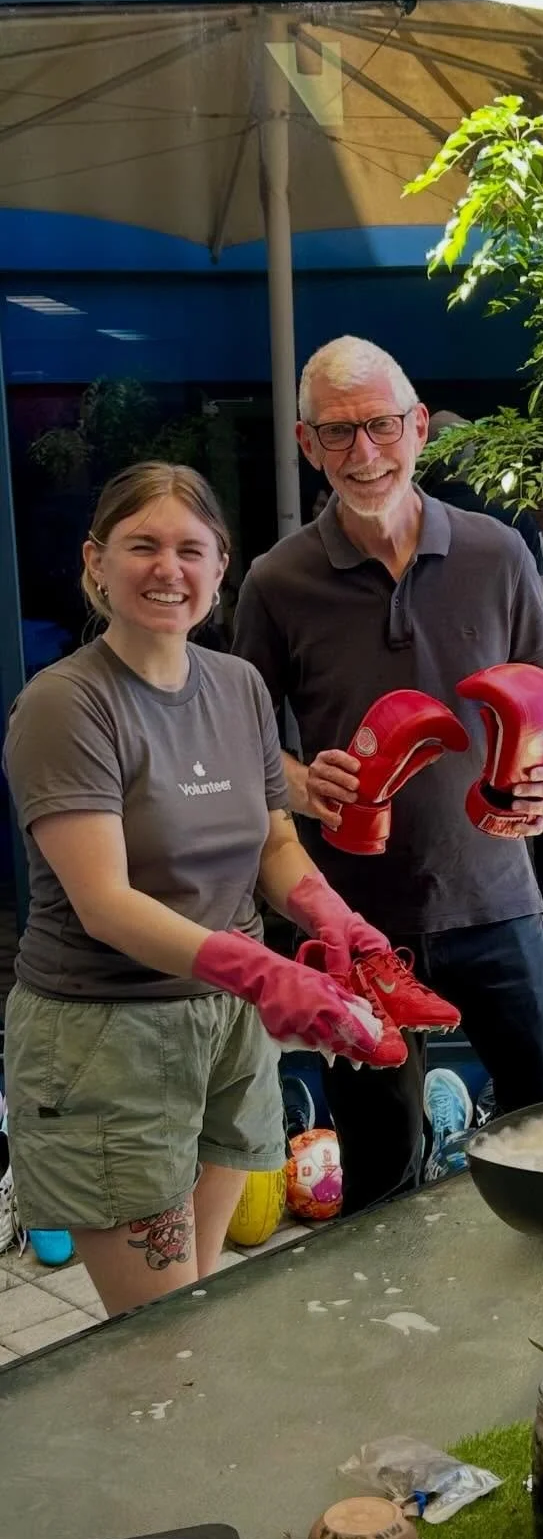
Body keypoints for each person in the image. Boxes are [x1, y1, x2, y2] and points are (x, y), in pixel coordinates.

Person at [2, 463, 389, 1316]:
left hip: (225, 1027)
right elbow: (103, 903)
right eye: (142, 546)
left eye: (190, 548)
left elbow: (275, 840)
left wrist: (332, 915)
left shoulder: (238, 686)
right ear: (96, 562)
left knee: (197, 1309)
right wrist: (268, 973)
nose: (167, 569)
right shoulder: (66, 705)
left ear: (221, 569)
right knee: (159, 1334)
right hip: (110, 1036)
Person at [232, 337, 543, 1215]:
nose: (364, 454)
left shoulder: (497, 552)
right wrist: (299, 779)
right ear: (307, 445)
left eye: (381, 427)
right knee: (382, 1168)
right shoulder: (277, 583)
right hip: (357, 922)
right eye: (338, 434)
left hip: (496, 896)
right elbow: (245, 743)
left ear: (418, 427)